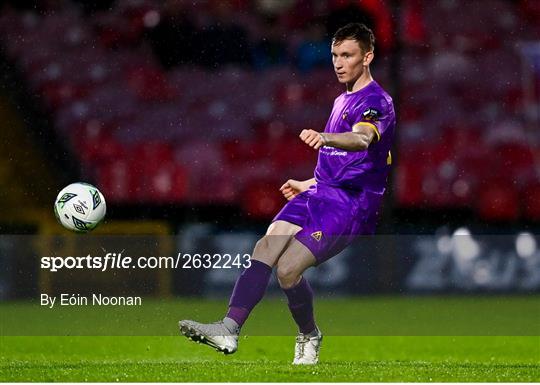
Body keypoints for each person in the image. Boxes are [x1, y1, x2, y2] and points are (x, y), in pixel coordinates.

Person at [179, 22, 396, 365]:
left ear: (367, 57)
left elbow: (362, 140)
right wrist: (309, 182)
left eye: (348, 55)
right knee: (266, 245)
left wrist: (325, 138)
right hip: (321, 193)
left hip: (351, 205)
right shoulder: (342, 98)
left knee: (288, 270)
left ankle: (309, 334)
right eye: (335, 55)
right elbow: (346, 163)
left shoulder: (376, 101)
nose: (339, 63)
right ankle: (229, 328)